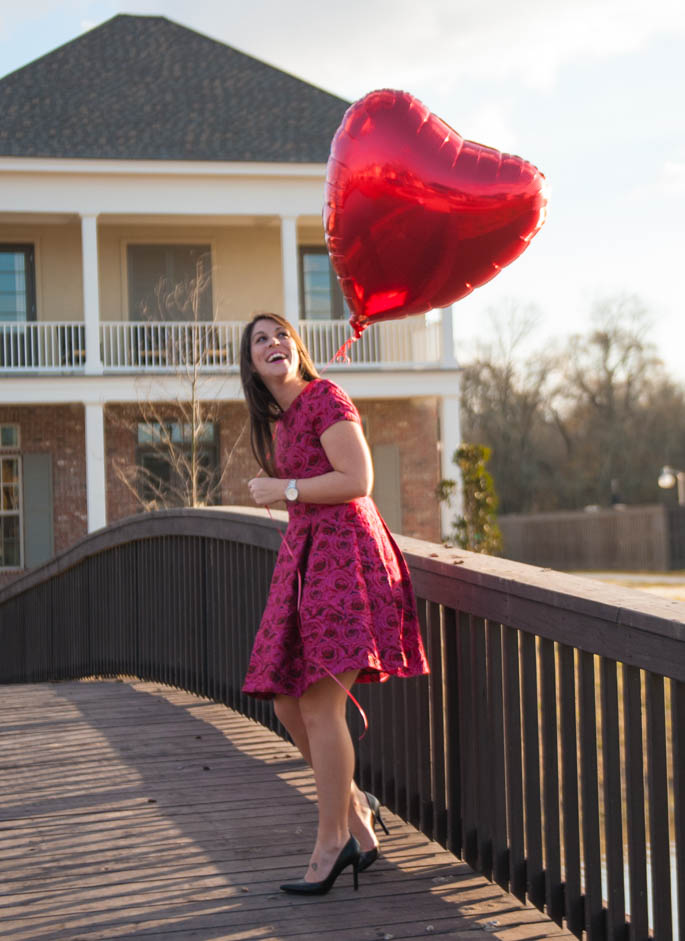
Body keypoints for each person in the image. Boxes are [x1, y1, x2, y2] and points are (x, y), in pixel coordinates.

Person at [240, 312, 429, 895]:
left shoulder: (325, 397)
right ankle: (357, 816)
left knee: (320, 707)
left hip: (345, 556)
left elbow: (358, 478)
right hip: (308, 558)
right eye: (260, 340)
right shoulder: (279, 421)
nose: (273, 344)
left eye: (281, 336)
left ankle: (332, 844)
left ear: (297, 349)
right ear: (250, 364)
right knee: (288, 705)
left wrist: (284, 489)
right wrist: (289, 496)